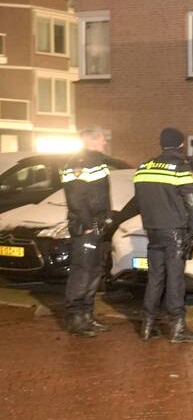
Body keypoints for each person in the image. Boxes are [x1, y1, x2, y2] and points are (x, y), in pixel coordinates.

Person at [133, 128, 193, 342]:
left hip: (152, 231)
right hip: (174, 231)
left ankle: (147, 326)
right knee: (175, 280)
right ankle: (177, 329)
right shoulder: (179, 168)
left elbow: (139, 200)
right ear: (181, 144)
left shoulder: (144, 167)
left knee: (155, 278)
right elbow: (192, 202)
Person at [62, 128, 114, 337]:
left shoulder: (98, 161)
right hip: (86, 227)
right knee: (82, 271)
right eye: (103, 139)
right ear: (93, 141)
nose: (105, 142)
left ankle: (87, 316)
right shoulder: (77, 163)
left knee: (94, 270)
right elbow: (76, 198)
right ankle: (76, 318)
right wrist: (88, 224)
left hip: (97, 225)